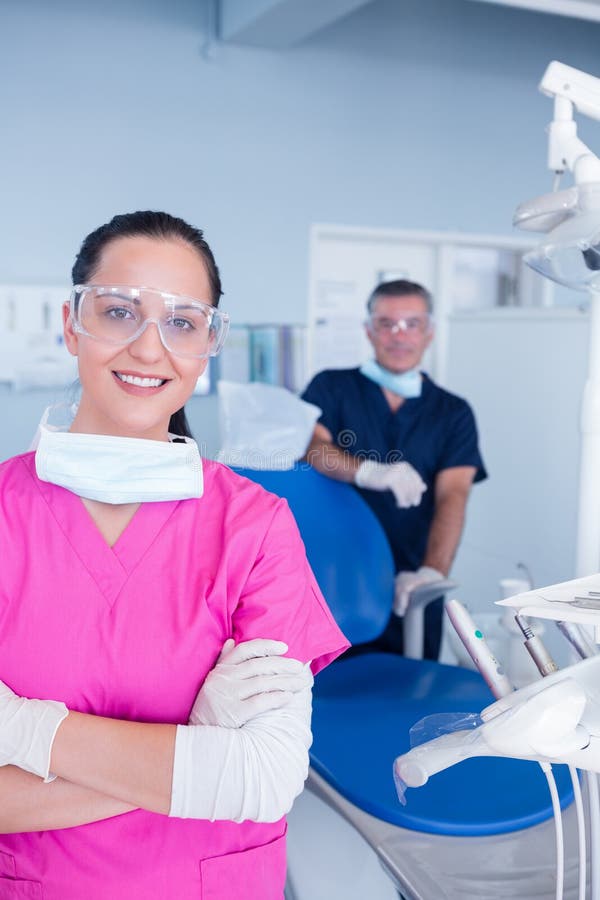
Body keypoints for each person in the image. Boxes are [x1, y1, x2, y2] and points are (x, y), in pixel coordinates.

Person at [0, 211, 348, 899]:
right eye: (119, 311)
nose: (149, 348)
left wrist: (18, 729)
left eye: (182, 323)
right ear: (71, 325)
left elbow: (263, 777)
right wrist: (194, 744)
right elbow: (227, 772)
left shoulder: (255, 528)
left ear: (208, 346)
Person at [302, 279, 486, 660]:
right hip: (331, 577)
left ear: (430, 332)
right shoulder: (332, 388)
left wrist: (431, 574)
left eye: (412, 323)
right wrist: (369, 472)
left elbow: (454, 495)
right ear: (368, 330)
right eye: (386, 323)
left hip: (411, 584)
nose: (398, 335)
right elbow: (314, 449)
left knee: (412, 694)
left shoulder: (452, 412)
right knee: (324, 697)